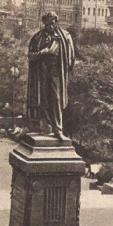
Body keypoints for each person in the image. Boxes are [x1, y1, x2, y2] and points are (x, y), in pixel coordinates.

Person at [27, 11, 76, 140]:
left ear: (56, 22)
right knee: (43, 99)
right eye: (47, 23)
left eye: (52, 22)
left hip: (56, 72)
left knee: (56, 100)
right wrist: (43, 53)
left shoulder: (65, 37)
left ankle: (58, 129)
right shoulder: (37, 38)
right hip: (42, 71)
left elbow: (70, 59)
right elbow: (30, 55)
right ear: (44, 23)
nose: (50, 25)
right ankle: (46, 127)